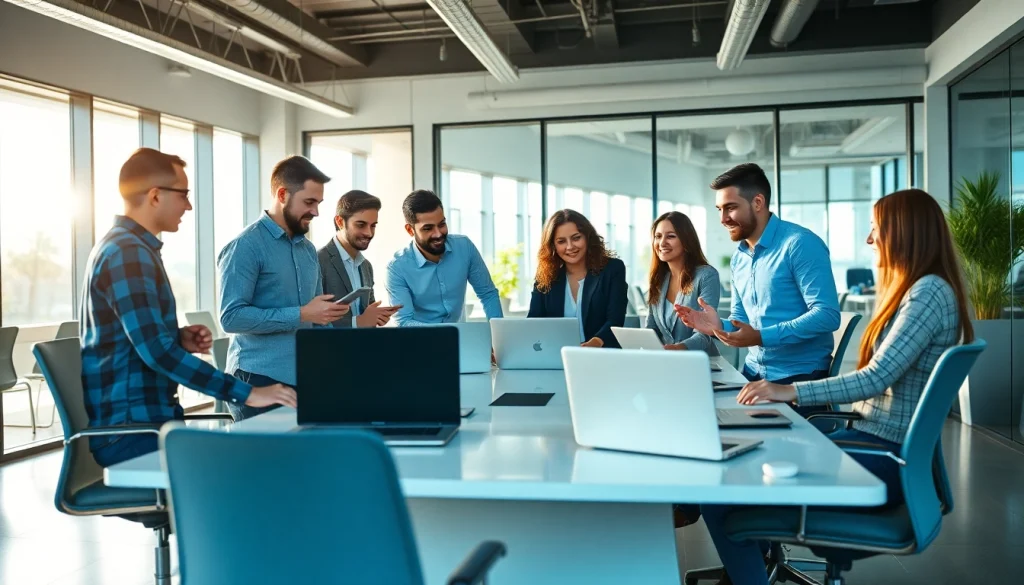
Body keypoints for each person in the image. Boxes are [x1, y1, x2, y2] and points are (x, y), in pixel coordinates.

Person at [701, 188, 974, 585]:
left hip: (882, 457)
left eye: (876, 229)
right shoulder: (925, 290)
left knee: (720, 497)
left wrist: (788, 390)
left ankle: (751, 569)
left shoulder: (927, 294)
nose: (869, 240)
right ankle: (754, 565)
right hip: (874, 446)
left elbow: (876, 378)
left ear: (904, 232)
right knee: (745, 465)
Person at [81, 148, 296, 467]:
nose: (189, 205)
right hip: (134, 434)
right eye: (183, 194)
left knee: (261, 466)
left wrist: (177, 337)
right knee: (257, 473)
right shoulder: (128, 253)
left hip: (149, 426)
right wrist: (247, 393)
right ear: (155, 196)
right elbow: (157, 352)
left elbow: (139, 341)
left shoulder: (132, 248)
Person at [677, 163, 840, 387]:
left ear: (758, 203)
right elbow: (742, 323)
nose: (723, 218)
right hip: (752, 373)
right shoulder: (739, 258)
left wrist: (762, 337)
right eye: (719, 209)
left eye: (730, 207)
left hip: (799, 379)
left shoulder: (800, 244)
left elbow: (827, 315)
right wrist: (718, 325)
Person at [218, 155, 347, 421]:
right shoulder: (246, 246)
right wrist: (301, 314)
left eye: (319, 203)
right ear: (282, 194)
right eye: (309, 202)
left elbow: (315, 315)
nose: (316, 212)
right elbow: (230, 318)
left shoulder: (308, 250)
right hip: (257, 381)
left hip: (304, 378)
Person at [386, 189, 503, 325]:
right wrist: (446, 335)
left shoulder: (464, 247)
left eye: (441, 224)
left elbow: (488, 294)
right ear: (410, 230)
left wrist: (498, 337)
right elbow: (404, 322)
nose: (438, 234)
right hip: (420, 342)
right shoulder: (397, 268)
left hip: (460, 340)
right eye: (428, 228)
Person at [526, 209, 627, 347]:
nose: (570, 246)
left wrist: (596, 343)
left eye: (576, 238)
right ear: (553, 246)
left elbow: (615, 319)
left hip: (602, 355)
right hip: (557, 357)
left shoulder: (612, 269)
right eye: (561, 241)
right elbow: (533, 323)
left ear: (587, 237)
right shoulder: (546, 277)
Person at [317, 190, 400, 328]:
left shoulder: (366, 266)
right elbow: (312, 321)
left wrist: (376, 316)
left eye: (373, 225)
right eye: (360, 225)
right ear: (340, 222)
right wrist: (358, 322)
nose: (369, 233)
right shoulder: (318, 261)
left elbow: (367, 314)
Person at [646, 211, 720, 354]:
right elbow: (652, 328)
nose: (662, 243)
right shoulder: (658, 280)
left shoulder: (706, 276)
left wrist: (677, 348)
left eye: (671, 236)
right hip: (668, 362)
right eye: (658, 236)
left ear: (686, 241)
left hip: (702, 362)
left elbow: (705, 333)